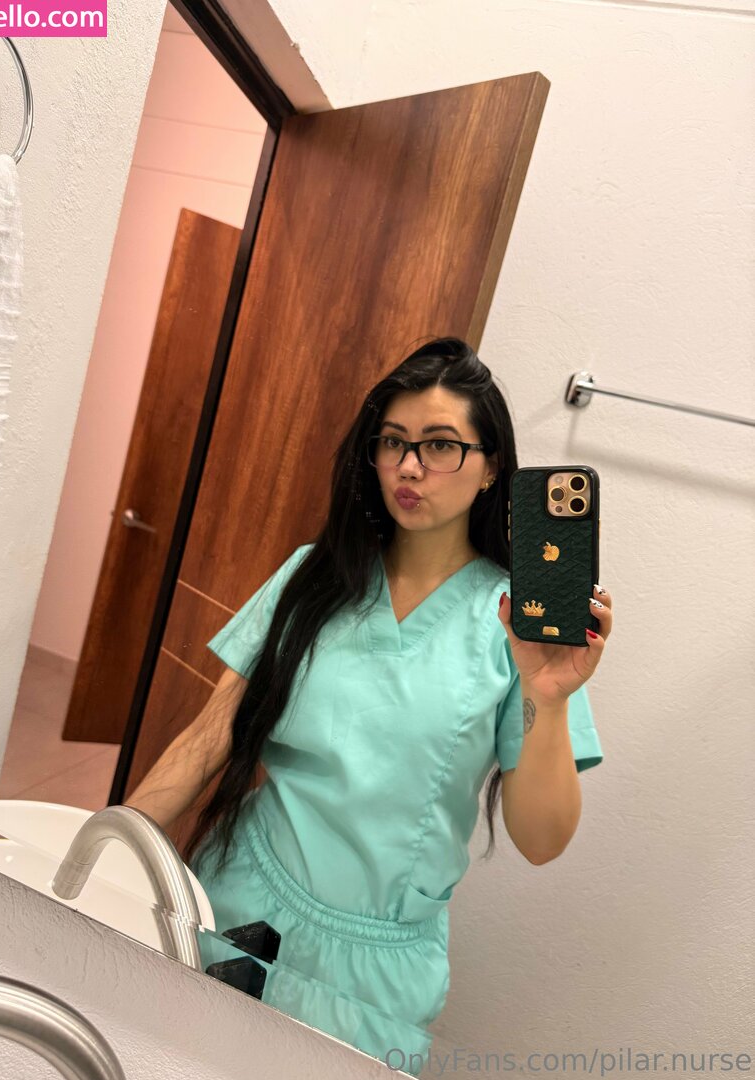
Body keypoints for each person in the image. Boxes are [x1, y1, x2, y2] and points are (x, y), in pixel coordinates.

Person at [126, 336, 610, 1075]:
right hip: (240, 901)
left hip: (379, 969)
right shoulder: (312, 578)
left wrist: (547, 696)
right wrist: (103, 847)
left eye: (441, 445)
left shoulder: (516, 625)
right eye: (393, 442)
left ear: (491, 469)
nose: (410, 467)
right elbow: (209, 737)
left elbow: (542, 840)